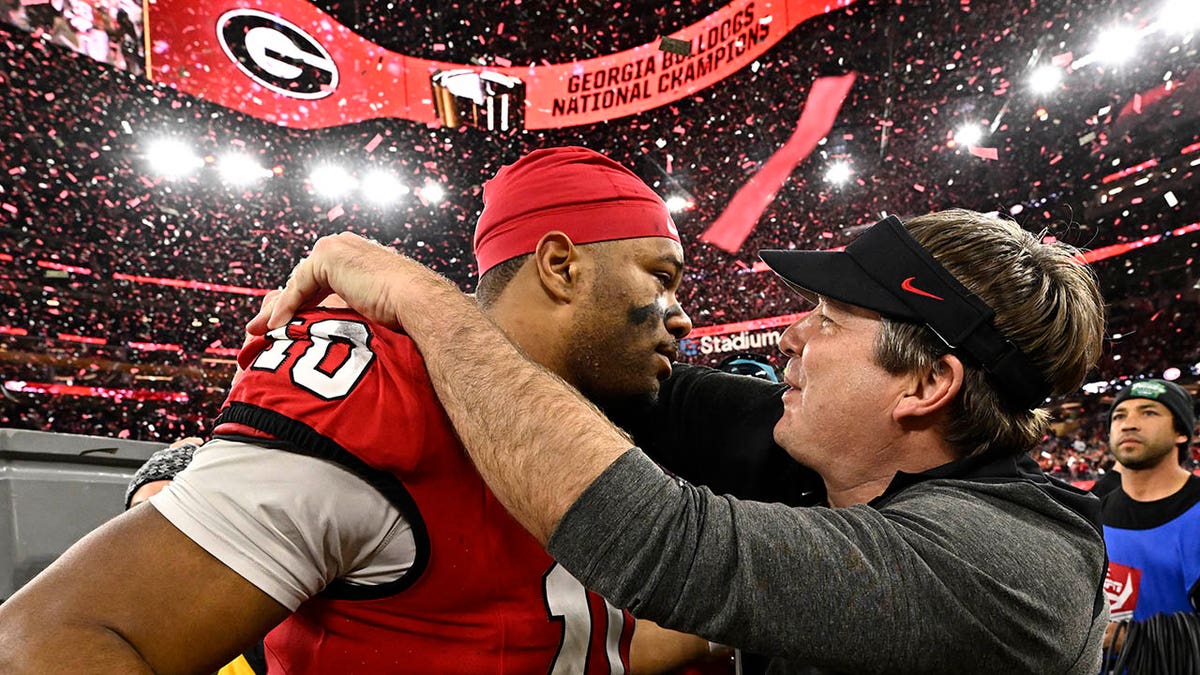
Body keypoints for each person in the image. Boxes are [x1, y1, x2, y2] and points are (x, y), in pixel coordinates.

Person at [251, 208, 1111, 673]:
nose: (788, 341)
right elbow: (629, 385)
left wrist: (418, 296)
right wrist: (269, 443)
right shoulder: (835, 454)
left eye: (827, 320)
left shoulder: (1004, 565)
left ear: (927, 386)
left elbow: (653, 538)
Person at [0, 146, 725, 673]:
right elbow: (49, 637)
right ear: (561, 267)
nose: (684, 316)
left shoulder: (596, 405)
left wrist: (731, 628)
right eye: (661, 276)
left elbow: (577, 634)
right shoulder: (382, 391)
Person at [1100, 379, 1199, 662]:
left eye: (1148, 412)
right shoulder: (1096, 511)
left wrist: (1131, 640)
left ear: (1181, 432)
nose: (1129, 423)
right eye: (1119, 416)